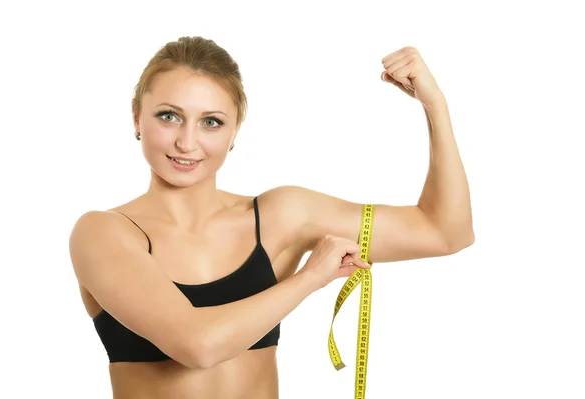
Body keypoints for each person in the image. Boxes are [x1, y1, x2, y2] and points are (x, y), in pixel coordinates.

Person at [69, 36, 474, 399]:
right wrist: (310, 278)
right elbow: (198, 345)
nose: (186, 142)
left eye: (211, 122)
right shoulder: (103, 233)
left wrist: (435, 106)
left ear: (234, 132)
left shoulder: (280, 217)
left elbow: (445, 232)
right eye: (169, 116)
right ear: (137, 117)